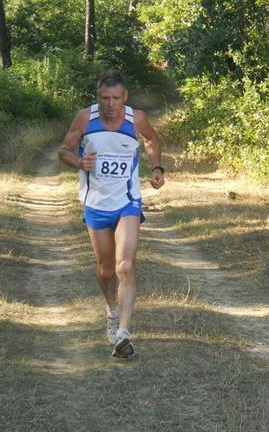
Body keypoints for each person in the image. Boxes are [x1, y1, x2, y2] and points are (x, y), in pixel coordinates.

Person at [58, 72, 165, 358]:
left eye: (116, 98)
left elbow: (152, 139)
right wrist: (79, 162)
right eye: (105, 98)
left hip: (127, 202)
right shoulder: (84, 118)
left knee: (125, 265)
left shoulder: (136, 119)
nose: (110, 104)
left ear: (125, 97)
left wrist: (156, 168)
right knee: (106, 269)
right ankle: (111, 311)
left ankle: (124, 333)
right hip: (95, 203)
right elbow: (63, 151)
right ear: (97, 98)